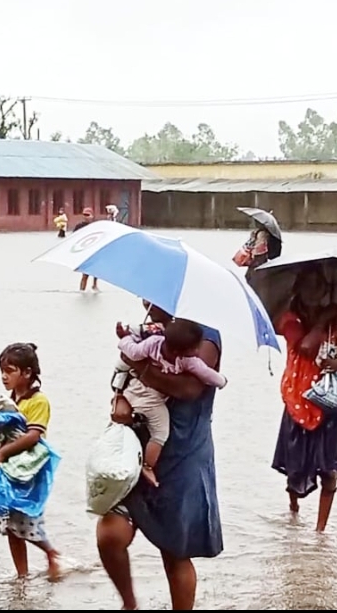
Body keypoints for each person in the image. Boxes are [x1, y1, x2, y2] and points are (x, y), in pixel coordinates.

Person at [97, 303, 224, 611]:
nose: (145, 303)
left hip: (182, 452)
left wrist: (140, 364)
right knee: (109, 534)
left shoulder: (203, 336)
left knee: (175, 552)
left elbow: (190, 389)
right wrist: (119, 401)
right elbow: (126, 374)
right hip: (134, 448)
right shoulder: (149, 333)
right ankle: (130, 605)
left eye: (150, 297)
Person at [272, 267, 337, 533]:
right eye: (308, 286)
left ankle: (320, 532)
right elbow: (304, 346)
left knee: (330, 470)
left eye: (319, 286)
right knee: (294, 467)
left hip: (331, 400)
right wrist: (324, 318)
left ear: (326, 290)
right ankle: (293, 509)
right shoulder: (289, 319)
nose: (314, 292)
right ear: (299, 290)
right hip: (299, 399)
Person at [114, 318, 228, 487]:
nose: (147, 303)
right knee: (160, 434)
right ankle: (148, 465)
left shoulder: (198, 337)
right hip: (142, 428)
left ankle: (147, 464)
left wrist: (132, 352)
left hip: (184, 448)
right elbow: (126, 361)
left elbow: (189, 389)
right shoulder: (154, 334)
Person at [0, 342, 62, 580]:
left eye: (9, 371)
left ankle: (51, 553)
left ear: (27, 373)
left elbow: (33, 436)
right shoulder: (11, 401)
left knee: (26, 521)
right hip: (10, 469)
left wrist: (3, 452)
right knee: (10, 526)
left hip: (28, 471)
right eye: (2, 370)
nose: (4, 376)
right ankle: (21, 575)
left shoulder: (38, 401)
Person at [73, 207, 99, 291]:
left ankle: (94, 286)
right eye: (84, 215)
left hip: (95, 252)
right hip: (85, 252)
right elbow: (73, 238)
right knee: (85, 274)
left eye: (88, 215)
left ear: (92, 216)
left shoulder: (96, 226)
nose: (86, 217)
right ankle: (82, 290)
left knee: (97, 272)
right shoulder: (79, 226)